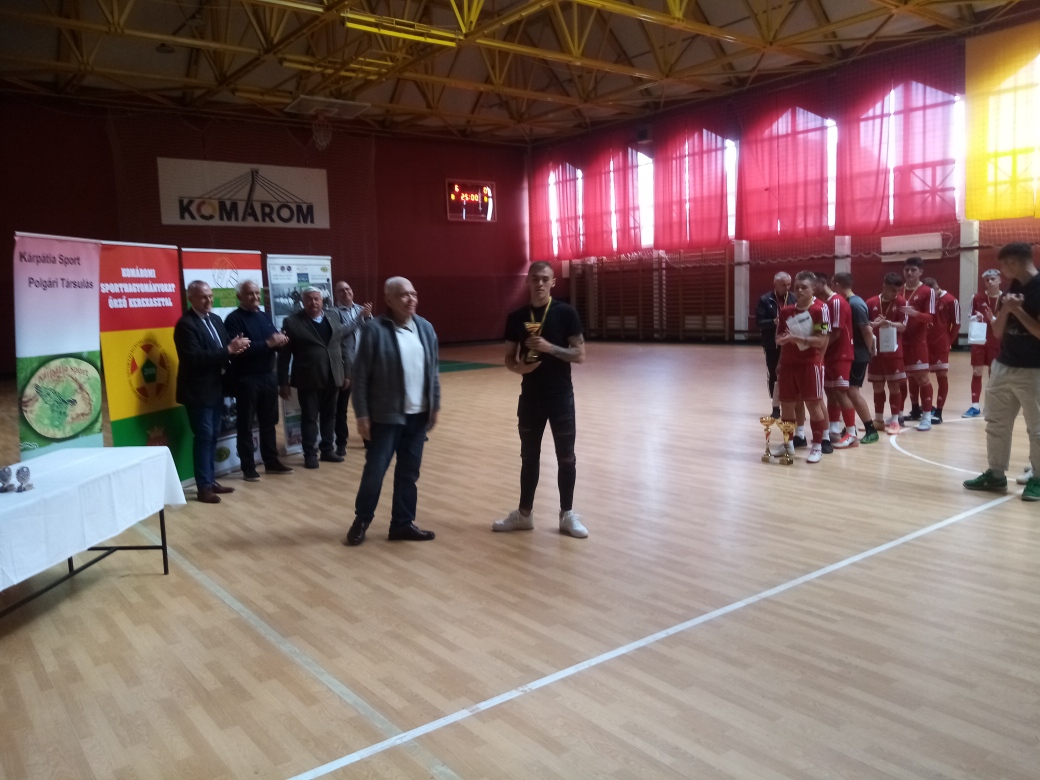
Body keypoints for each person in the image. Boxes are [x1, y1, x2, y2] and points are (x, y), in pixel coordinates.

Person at [494, 262, 588, 537]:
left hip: (560, 397)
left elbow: (580, 354)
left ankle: (567, 515)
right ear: (527, 281)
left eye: (545, 279)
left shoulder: (565, 313)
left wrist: (550, 348)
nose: (539, 283)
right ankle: (524, 515)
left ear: (553, 282)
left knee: (566, 457)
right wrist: (520, 368)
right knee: (529, 457)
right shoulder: (516, 317)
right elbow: (509, 359)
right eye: (534, 279)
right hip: (531, 398)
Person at [344, 277, 440, 546]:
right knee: (375, 471)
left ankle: (402, 523)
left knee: (409, 473)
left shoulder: (425, 328)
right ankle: (362, 520)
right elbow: (360, 377)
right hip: (385, 418)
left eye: (414, 294)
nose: (411, 299)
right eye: (404, 295)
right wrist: (362, 415)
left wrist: (434, 405)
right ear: (388, 300)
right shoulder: (374, 330)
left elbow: (433, 371)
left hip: (418, 417)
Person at [963, 243, 1040, 501]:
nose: (1002, 271)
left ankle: (1038, 479)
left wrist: (1018, 310)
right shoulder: (1011, 290)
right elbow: (996, 332)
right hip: (1004, 366)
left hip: (1034, 370)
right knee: (996, 423)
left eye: (1004, 265)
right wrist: (1006, 309)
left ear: (1013, 262)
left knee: (1037, 428)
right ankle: (996, 475)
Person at [174, 280, 250, 503]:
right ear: (191, 299)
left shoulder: (215, 319)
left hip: (217, 387)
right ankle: (203, 487)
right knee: (204, 436)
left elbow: (224, 347)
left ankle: (210, 480)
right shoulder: (185, 325)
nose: (208, 300)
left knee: (213, 436)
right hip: (198, 391)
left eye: (210, 296)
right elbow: (194, 358)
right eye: (203, 297)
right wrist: (228, 349)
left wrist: (236, 346)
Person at [223, 281, 294, 481]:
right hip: (246, 378)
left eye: (257, 293)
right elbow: (239, 350)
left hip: (268, 376)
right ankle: (248, 467)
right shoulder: (233, 319)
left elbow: (270, 343)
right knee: (245, 425)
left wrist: (280, 342)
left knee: (269, 422)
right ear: (239, 297)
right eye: (249, 294)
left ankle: (271, 461)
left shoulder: (264, 316)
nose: (255, 297)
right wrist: (269, 343)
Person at [277, 287, 349, 470]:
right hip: (308, 379)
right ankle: (310, 454)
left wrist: (347, 372)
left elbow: (341, 346)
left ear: (322, 300)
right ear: (303, 301)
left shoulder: (333, 317)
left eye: (316, 299)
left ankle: (327, 450)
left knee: (329, 416)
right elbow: (284, 355)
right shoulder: (292, 322)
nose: (313, 302)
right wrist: (283, 382)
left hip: (333, 376)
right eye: (309, 299)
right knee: (309, 417)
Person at [774, 271, 830, 463]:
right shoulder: (786, 311)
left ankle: (817, 446)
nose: (799, 290)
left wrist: (796, 338)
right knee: (787, 405)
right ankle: (788, 444)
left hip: (810, 364)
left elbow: (821, 340)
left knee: (813, 405)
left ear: (813, 288)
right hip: (788, 364)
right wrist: (780, 353)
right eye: (796, 287)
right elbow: (779, 337)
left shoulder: (820, 310)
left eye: (803, 287)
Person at [832, 272, 879, 443]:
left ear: (837, 284)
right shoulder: (850, 302)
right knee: (845, 391)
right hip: (853, 354)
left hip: (857, 355)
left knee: (852, 391)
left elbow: (866, 330)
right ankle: (849, 427)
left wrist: (870, 350)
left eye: (832, 285)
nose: (832, 288)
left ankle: (870, 429)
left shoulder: (855, 304)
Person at [329, 281, 373, 457]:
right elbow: (338, 332)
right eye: (341, 290)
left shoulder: (362, 309)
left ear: (352, 292)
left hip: (365, 366)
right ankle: (341, 443)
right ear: (336, 295)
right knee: (341, 409)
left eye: (348, 289)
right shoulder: (333, 312)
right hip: (345, 367)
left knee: (366, 405)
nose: (345, 292)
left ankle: (368, 440)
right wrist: (359, 318)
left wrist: (367, 318)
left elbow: (372, 331)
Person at [813, 273, 856, 451]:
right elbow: (825, 328)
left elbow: (836, 332)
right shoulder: (824, 304)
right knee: (831, 393)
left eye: (813, 285)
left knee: (840, 393)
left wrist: (818, 347)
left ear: (822, 283)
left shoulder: (836, 301)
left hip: (841, 354)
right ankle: (834, 428)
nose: (811, 289)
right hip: (830, 355)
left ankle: (852, 433)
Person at [866, 273, 909, 436]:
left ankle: (895, 421)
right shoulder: (871, 302)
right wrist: (874, 324)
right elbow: (865, 325)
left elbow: (903, 326)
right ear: (884, 286)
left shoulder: (902, 302)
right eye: (892, 290)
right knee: (877, 386)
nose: (895, 294)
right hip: (876, 350)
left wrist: (889, 323)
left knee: (894, 386)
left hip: (893, 351)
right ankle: (878, 420)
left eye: (898, 290)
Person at [899, 257, 936, 430]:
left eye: (913, 270)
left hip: (917, 343)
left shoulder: (928, 291)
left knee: (922, 378)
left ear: (921, 271)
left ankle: (926, 416)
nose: (909, 273)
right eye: (906, 269)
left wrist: (915, 314)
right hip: (899, 342)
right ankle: (899, 415)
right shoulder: (899, 290)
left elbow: (930, 317)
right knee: (901, 380)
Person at [963, 268, 1004, 418]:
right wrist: (977, 317)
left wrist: (991, 319)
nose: (990, 282)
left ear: (1000, 280)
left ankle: (992, 405)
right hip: (979, 339)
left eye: (993, 279)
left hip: (997, 340)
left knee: (994, 374)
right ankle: (975, 406)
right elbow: (970, 316)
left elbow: (1007, 321)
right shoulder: (977, 298)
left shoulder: (1005, 299)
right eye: (987, 280)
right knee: (976, 372)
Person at [756, 272, 795, 418]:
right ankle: (776, 407)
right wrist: (774, 321)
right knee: (774, 374)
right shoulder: (765, 300)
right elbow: (759, 323)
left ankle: (793, 405)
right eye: (784, 285)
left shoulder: (793, 298)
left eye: (789, 284)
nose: (787, 287)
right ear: (775, 284)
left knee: (791, 374)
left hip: (791, 343)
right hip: (772, 344)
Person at [923, 277, 960, 425]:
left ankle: (938, 412)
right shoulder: (925, 299)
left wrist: (948, 342)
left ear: (936, 288)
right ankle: (924, 408)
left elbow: (956, 324)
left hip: (940, 344)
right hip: (924, 343)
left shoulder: (951, 300)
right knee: (919, 376)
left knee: (941, 375)